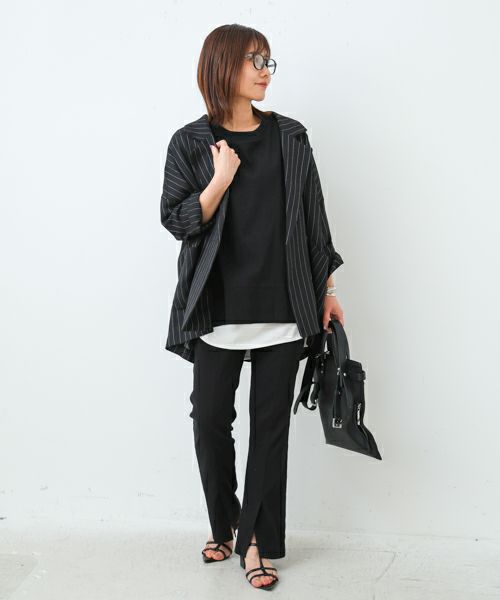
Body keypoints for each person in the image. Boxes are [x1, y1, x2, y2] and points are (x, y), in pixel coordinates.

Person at [160, 24, 345, 590]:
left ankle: (255, 544)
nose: (266, 70)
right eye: (254, 60)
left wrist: (327, 290)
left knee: (270, 431)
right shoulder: (190, 142)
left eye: (269, 61)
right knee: (210, 421)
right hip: (216, 308)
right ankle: (226, 524)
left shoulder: (290, 136)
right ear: (223, 66)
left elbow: (313, 217)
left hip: (284, 305)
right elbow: (177, 220)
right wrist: (219, 180)